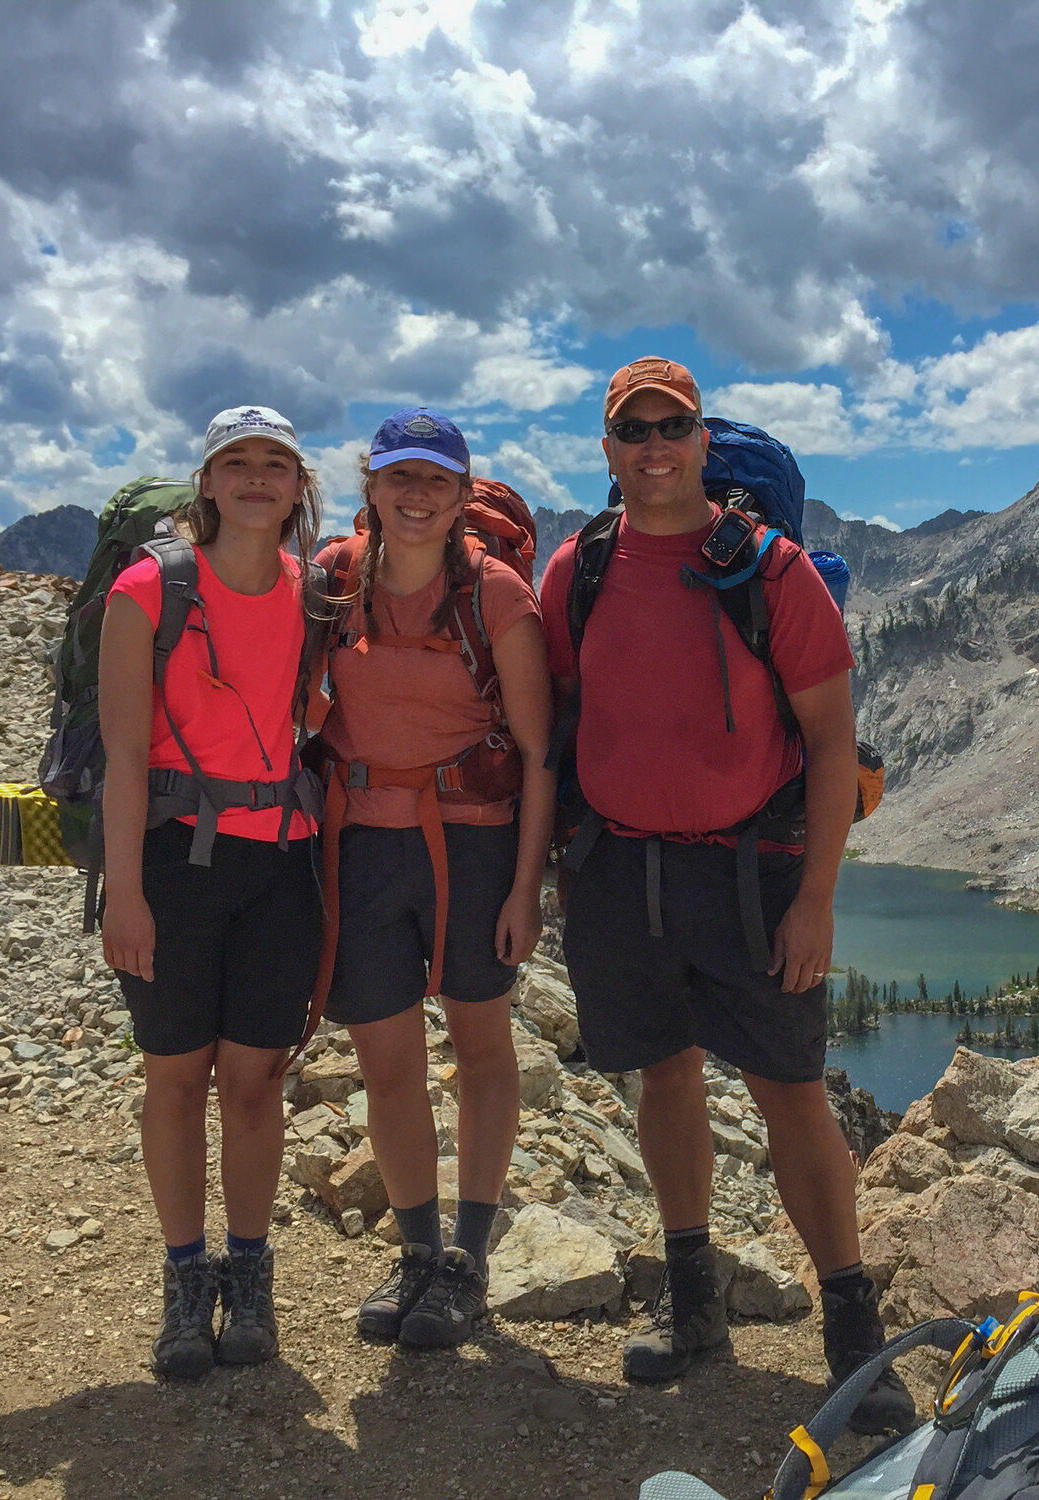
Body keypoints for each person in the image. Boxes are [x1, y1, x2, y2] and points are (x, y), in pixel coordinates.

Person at [540, 357, 915, 1433]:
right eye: (633, 430)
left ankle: (853, 1333)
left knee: (788, 1087)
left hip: (751, 873)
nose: (654, 446)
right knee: (662, 1076)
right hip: (621, 867)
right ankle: (693, 1301)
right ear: (609, 452)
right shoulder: (583, 566)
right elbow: (562, 715)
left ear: (703, 442)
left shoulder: (771, 569)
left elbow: (831, 736)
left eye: (673, 427)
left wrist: (817, 899)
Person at [311, 409, 553, 1348]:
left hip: (476, 844)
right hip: (362, 844)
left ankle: (468, 1258)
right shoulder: (333, 583)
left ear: (461, 495)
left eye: (436, 481)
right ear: (371, 485)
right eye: (399, 477)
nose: (416, 496)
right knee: (387, 1060)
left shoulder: (496, 598)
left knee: (481, 1042)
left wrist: (527, 890)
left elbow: (538, 754)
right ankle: (417, 1253)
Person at [98, 405, 325, 1380]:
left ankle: (250, 1271)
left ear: (296, 486)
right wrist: (122, 897)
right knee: (175, 1077)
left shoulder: (314, 595)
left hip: (280, 866)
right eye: (237, 461)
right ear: (207, 482)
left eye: (275, 463)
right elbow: (121, 756)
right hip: (171, 870)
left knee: (254, 1082)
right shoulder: (146, 591)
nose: (257, 478)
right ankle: (187, 1281)